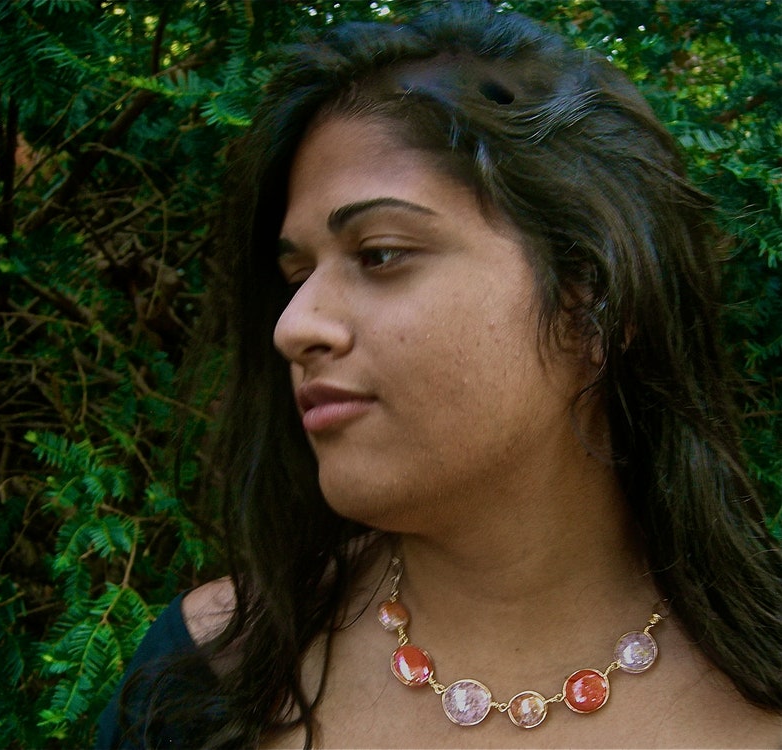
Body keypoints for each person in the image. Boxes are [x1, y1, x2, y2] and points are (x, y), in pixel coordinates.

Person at [97, 3, 782, 748]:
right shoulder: (206, 680)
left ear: (593, 299)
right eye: (296, 276)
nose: (293, 327)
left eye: (380, 253)